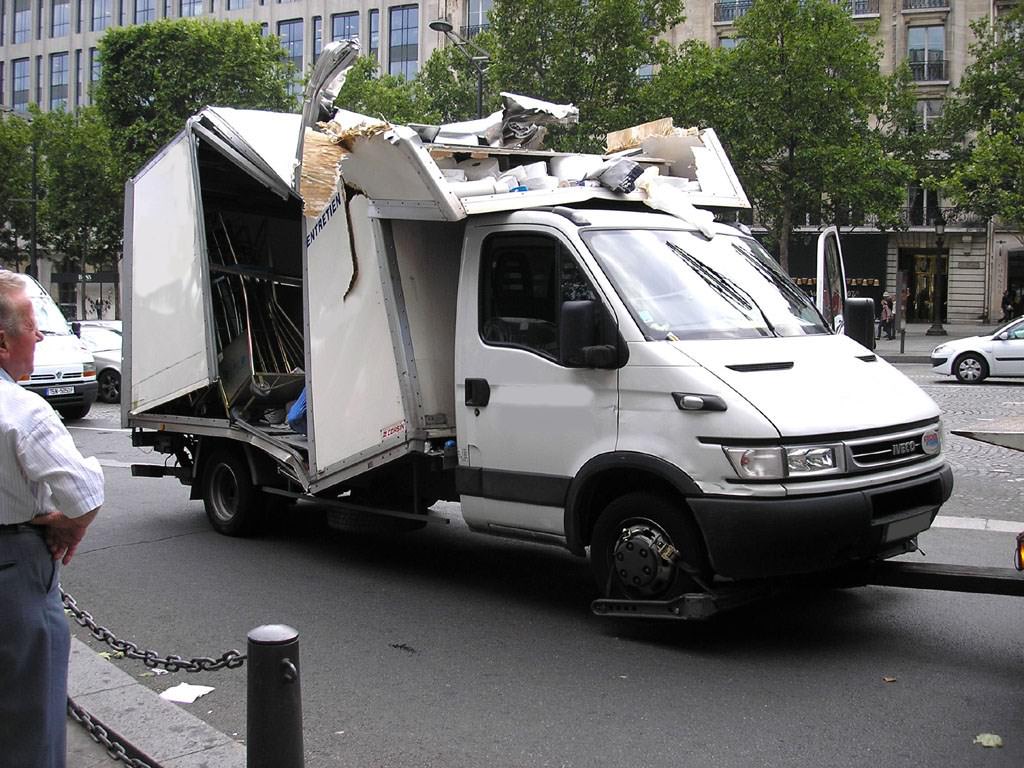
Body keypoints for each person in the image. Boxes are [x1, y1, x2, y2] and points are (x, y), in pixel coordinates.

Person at [0, 270, 104, 768]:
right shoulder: (22, 412)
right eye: (33, 324)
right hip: (12, 573)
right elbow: (83, 494)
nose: (40, 336)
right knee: (28, 730)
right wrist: (71, 524)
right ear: (2, 340)